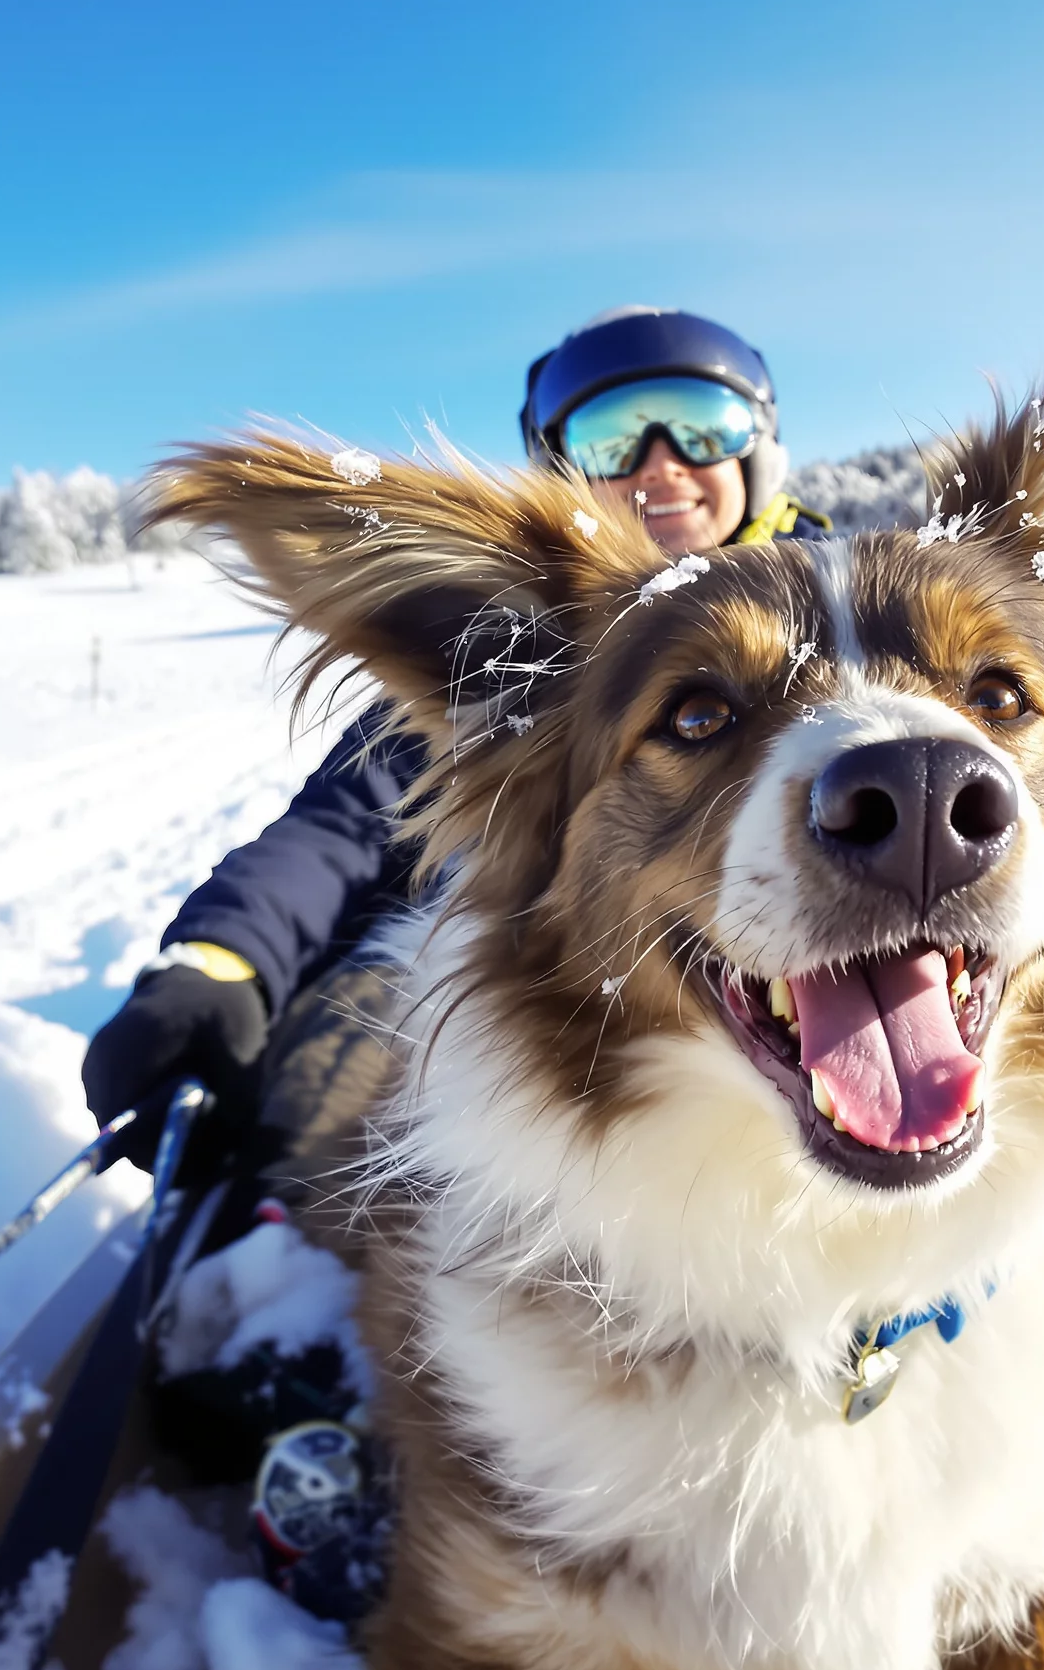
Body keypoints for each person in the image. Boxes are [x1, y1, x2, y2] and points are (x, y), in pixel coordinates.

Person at [84, 310, 828, 1166]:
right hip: (529, 979)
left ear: (756, 448)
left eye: (701, 423)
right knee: (339, 1056)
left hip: (814, 979)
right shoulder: (538, 636)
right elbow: (346, 822)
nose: (661, 462)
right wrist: (223, 960)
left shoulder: (891, 613)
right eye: (612, 438)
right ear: (565, 466)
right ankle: (259, 1246)